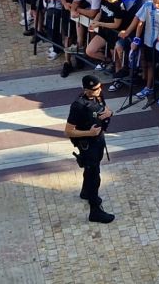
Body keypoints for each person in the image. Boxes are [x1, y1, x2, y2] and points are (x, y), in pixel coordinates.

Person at [63, 74, 115, 224]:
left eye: (100, 87)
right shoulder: (78, 105)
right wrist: (89, 133)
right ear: (86, 90)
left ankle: (86, 192)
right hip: (87, 144)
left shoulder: (98, 95)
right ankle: (95, 211)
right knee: (94, 176)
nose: (99, 90)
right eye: (95, 89)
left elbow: (105, 108)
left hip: (98, 141)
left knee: (91, 169)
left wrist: (109, 113)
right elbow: (68, 131)